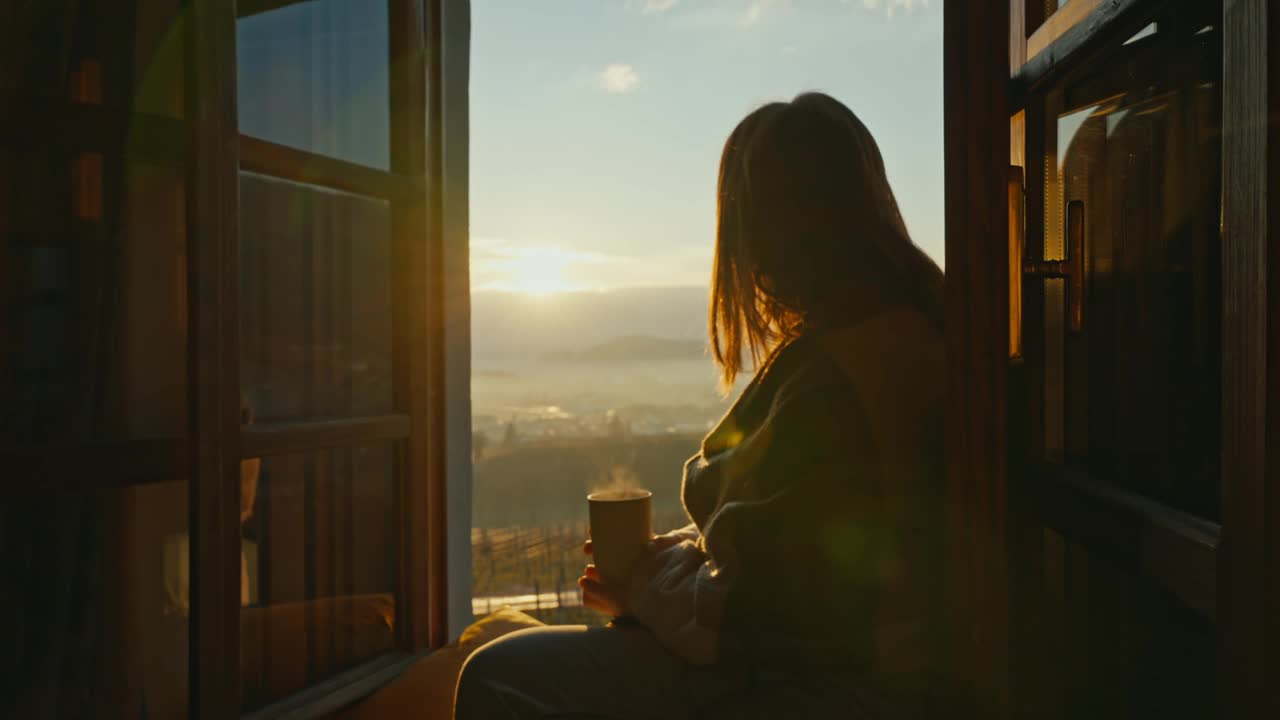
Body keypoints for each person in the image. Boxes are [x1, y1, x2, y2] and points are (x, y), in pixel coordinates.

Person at [454, 92, 945, 719]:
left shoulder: (841, 380)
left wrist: (646, 590)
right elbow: (778, 541)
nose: (755, 268)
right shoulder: (900, 332)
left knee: (495, 675)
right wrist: (666, 570)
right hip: (852, 665)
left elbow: (769, 613)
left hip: (837, 686)